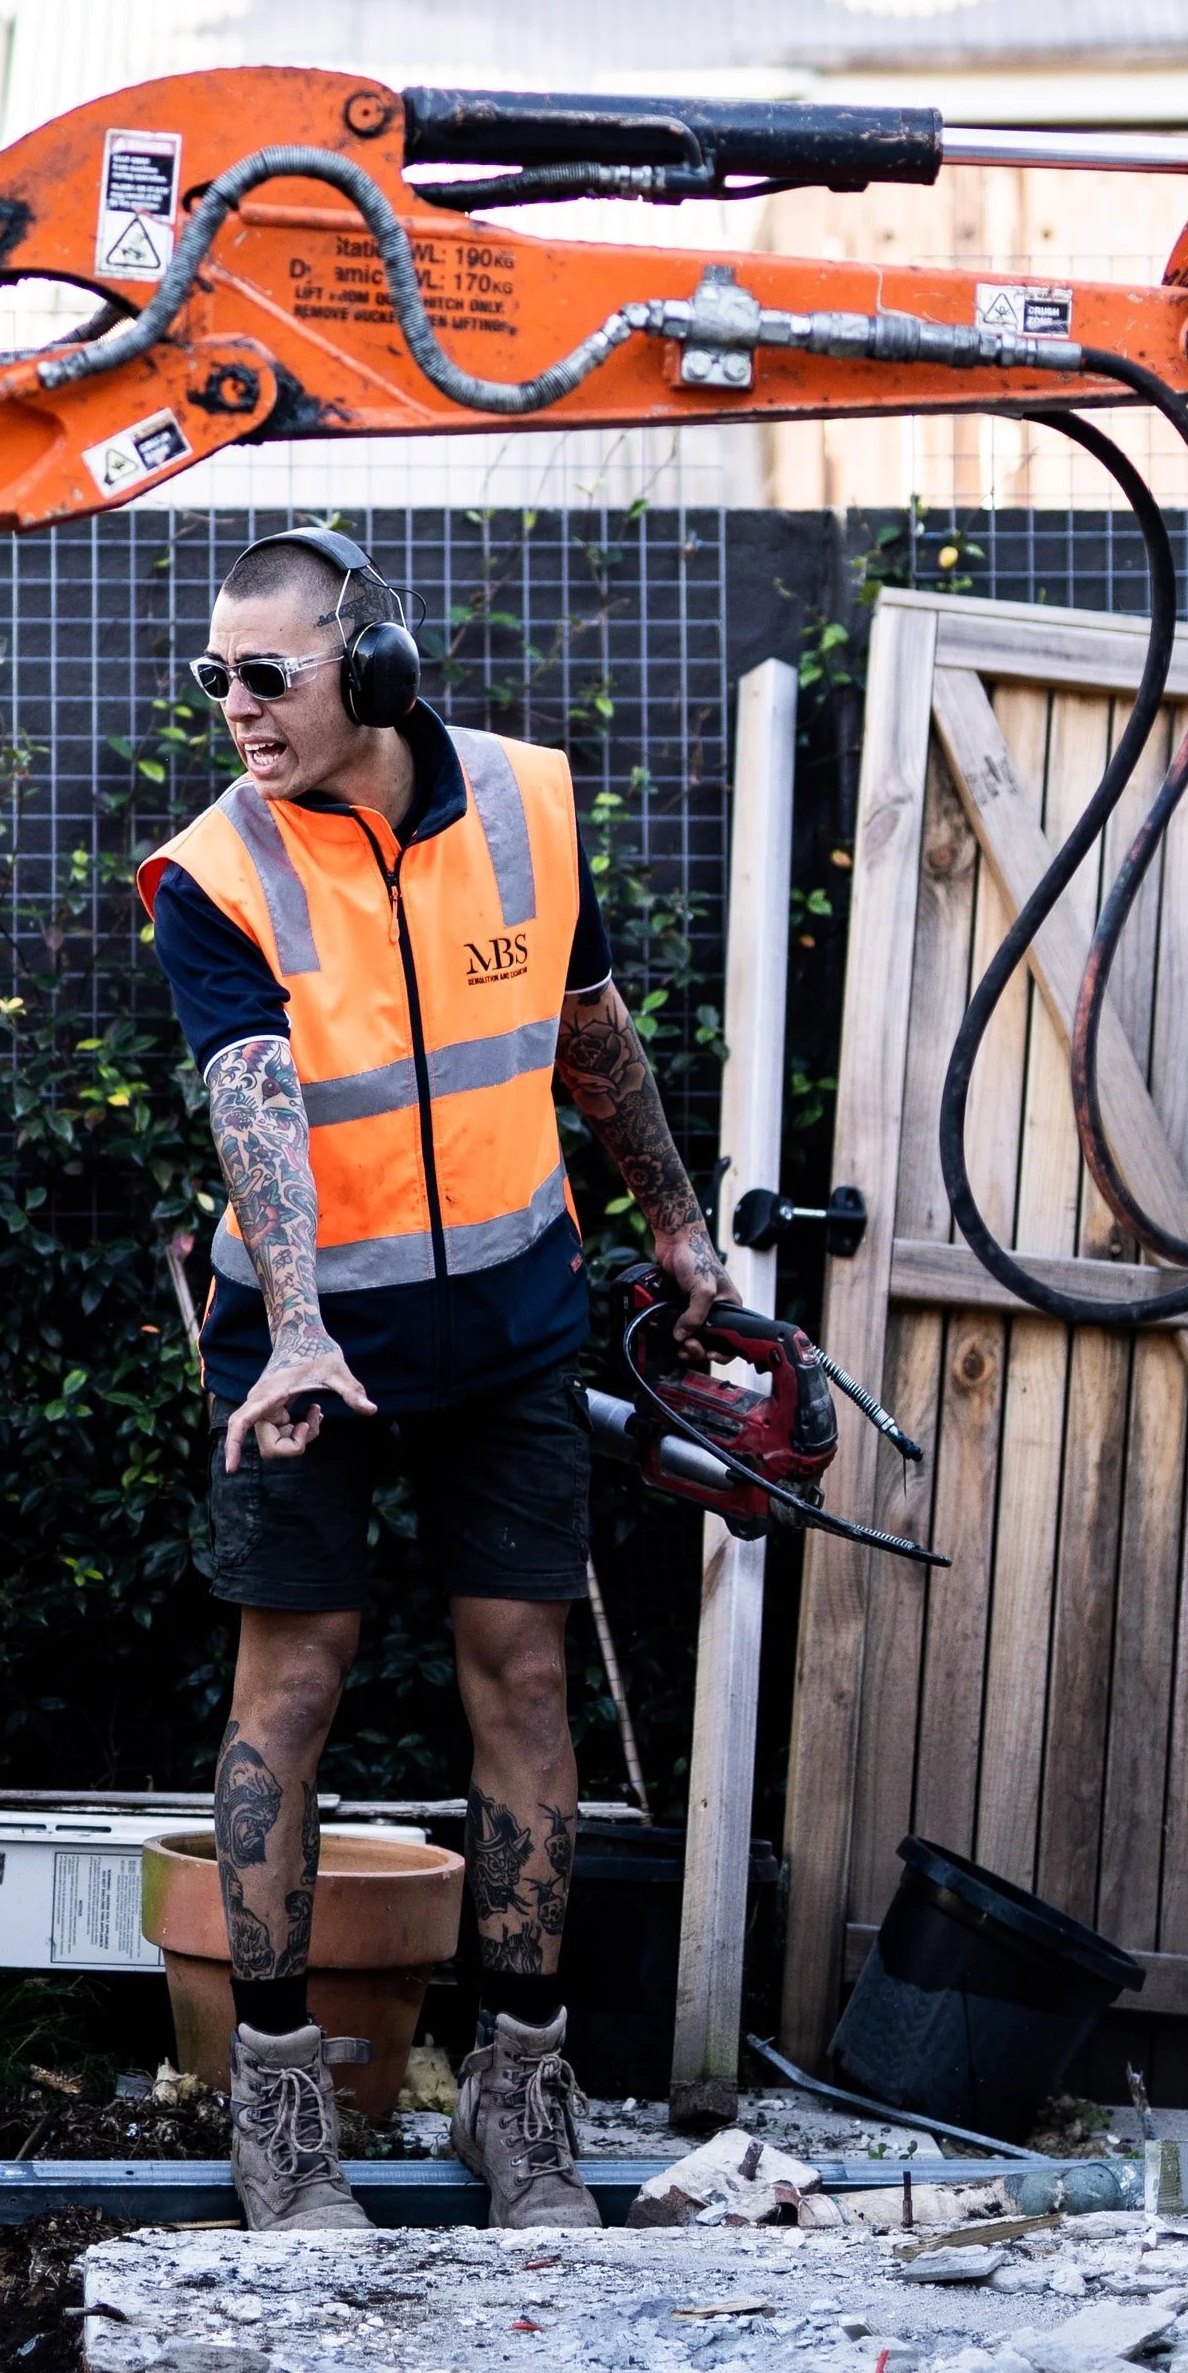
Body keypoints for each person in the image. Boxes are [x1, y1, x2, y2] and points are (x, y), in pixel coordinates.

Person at [139, 525, 736, 2235]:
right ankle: (279, 2105)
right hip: (303, 1353)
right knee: (292, 1693)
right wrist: (309, 1322)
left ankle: (523, 2092)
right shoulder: (218, 871)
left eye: (272, 674)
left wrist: (680, 1232)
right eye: (215, 677)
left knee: (526, 1683)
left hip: (514, 1329)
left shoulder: (528, 808)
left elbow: (593, 1030)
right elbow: (252, 1097)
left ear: (374, 668)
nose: (238, 711)